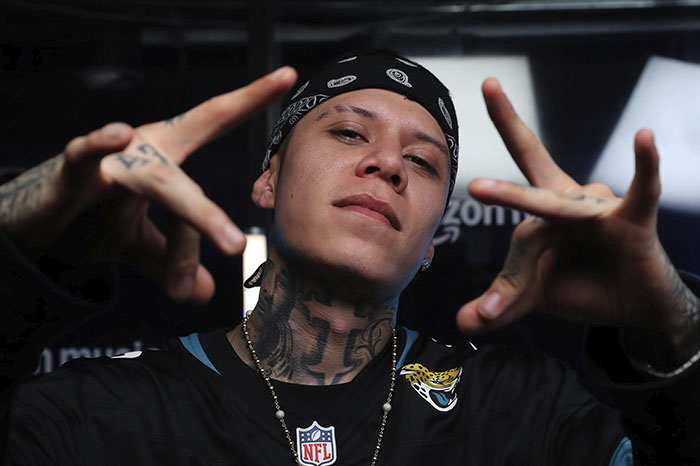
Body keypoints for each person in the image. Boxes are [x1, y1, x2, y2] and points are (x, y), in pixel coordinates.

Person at [1, 51, 699, 465]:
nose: (388, 163)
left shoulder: (525, 413)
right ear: (269, 180)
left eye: (422, 162)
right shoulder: (100, 412)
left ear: (431, 243)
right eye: (347, 132)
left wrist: (672, 328)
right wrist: (15, 248)